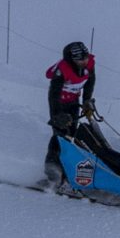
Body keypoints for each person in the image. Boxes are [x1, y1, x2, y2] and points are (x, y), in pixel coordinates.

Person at [42, 41, 97, 181]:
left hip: (73, 101)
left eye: (85, 58)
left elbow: (90, 82)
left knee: (72, 133)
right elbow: (53, 94)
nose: (84, 61)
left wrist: (87, 101)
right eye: (80, 59)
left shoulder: (89, 64)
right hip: (59, 103)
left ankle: (68, 169)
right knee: (60, 135)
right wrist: (57, 115)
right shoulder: (62, 70)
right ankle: (52, 170)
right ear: (71, 59)